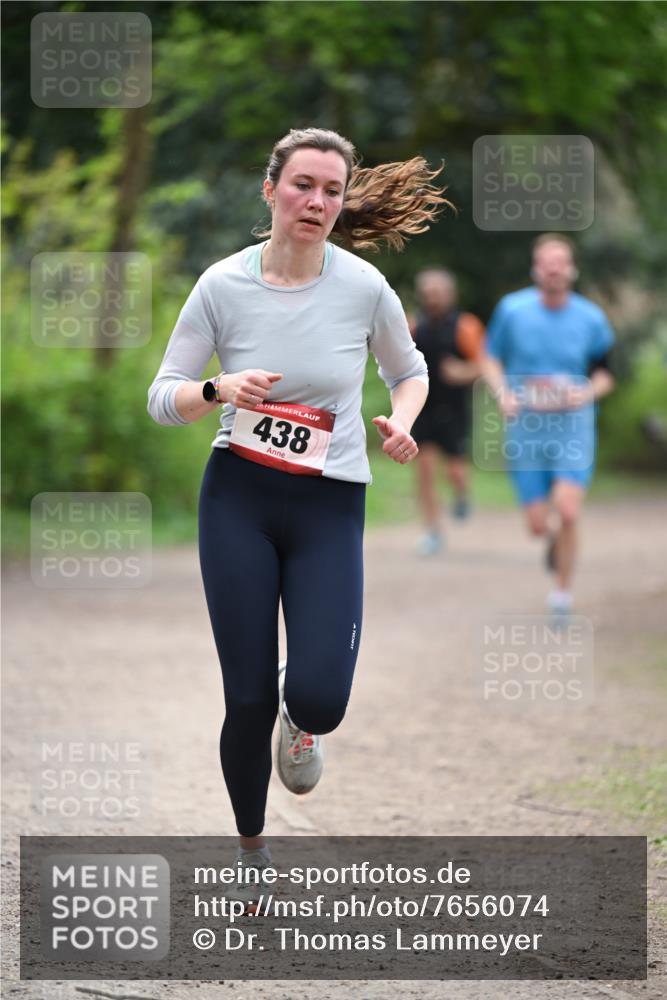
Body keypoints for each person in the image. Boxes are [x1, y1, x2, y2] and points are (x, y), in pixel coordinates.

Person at [147, 127, 448, 901]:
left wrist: (402, 422)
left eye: (331, 190)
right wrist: (218, 390)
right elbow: (164, 395)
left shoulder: (360, 288)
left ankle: (303, 720)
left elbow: (407, 372)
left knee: (318, 695)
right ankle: (251, 853)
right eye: (302, 185)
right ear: (271, 189)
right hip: (239, 497)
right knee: (245, 696)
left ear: (343, 201)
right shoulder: (221, 285)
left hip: (328, 504)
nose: (316, 201)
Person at [481, 233, 615, 615]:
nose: (554, 269)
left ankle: (561, 592)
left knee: (569, 510)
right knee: (538, 525)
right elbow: (490, 359)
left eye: (560, 262)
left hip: (573, 425)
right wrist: (502, 392)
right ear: (536, 269)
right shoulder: (512, 310)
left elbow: (606, 373)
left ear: (571, 269)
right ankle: (555, 539)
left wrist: (587, 391)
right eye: (546, 263)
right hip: (525, 425)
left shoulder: (591, 317)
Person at [409, 269, 485, 555]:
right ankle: (432, 531)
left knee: (455, 472)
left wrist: (462, 372)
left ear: (450, 295)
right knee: (425, 471)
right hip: (424, 408)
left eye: (438, 292)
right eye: (428, 292)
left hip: (455, 410)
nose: (432, 297)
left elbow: (484, 365)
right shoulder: (414, 325)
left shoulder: (466, 326)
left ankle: (462, 493)